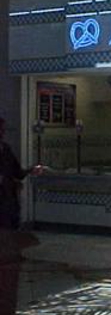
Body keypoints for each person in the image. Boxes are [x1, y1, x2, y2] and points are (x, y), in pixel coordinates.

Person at [0, 117, 41, 314]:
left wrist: (31, 170)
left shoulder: (5, 150)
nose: (2, 133)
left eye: (3, 130)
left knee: (8, 231)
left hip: (7, 204)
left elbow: (17, 173)